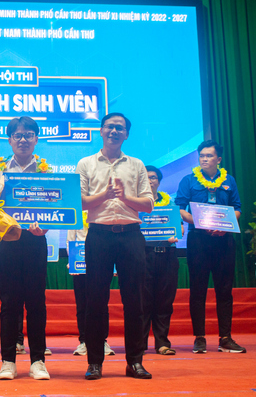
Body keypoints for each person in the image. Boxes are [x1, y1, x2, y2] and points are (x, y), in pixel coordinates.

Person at [77, 112, 154, 380]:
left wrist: (125, 197)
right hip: (99, 235)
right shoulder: (86, 163)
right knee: (96, 300)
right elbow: (79, 202)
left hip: (131, 236)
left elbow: (148, 204)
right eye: (109, 126)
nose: (114, 131)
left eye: (119, 128)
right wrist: (105, 195)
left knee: (135, 300)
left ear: (126, 135)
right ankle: (94, 362)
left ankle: (135, 362)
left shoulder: (136, 164)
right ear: (101, 130)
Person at [0, 116, 50, 381]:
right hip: (8, 241)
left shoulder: (47, 172)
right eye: (18, 135)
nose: (23, 139)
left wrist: (45, 227)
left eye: (28, 135)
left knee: (36, 302)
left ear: (36, 139)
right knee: (9, 303)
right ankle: (8, 361)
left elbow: (53, 206)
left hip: (36, 240)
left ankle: (38, 360)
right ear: (10, 140)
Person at [175, 140, 245, 354]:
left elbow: (237, 208)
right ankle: (199, 338)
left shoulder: (229, 180)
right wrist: (199, 222)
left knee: (224, 290)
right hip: (198, 240)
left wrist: (225, 226)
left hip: (224, 240)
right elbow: (180, 209)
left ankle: (225, 338)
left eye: (209, 156)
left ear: (218, 159)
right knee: (198, 290)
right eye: (202, 156)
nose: (204, 159)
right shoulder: (188, 180)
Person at [142, 165, 179, 355]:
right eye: (146, 177)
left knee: (165, 301)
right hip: (143, 256)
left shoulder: (170, 203)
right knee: (142, 301)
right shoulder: (135, 203)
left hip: (167, 255)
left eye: (154, 177)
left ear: (159, 181)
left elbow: (178, 226)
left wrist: (176, 232)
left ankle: (162, 343)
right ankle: (139, 345)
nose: (150, 181)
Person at [67, 215, 115, 358]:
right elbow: (70, 240)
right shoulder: (76, 213)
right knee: (82, 304)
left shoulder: (101, 212)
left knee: (101, 303)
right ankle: (83, 341)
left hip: (101, 260)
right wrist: (73, 260)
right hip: (79, 264)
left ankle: (102, 341)